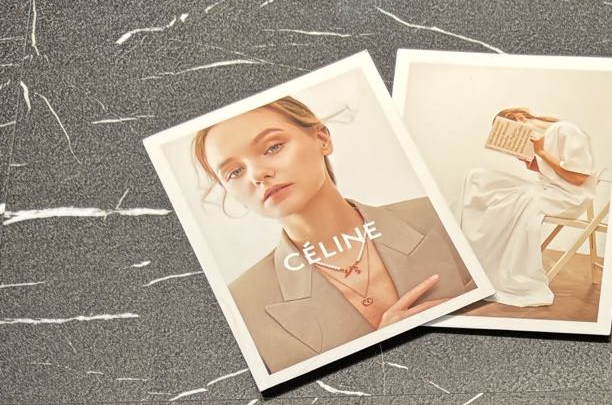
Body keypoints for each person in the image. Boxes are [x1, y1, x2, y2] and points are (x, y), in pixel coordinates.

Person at [191, 94, 476, 374]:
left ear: (322, 138)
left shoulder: (442, 215)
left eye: (273, 147)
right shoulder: (239, 308)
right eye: (234, 172)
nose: (257, 174)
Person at [458, 104, 598, 308]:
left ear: (519, 118)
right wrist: (530, 163)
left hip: (569, 198)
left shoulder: (565, 130)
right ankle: (473, 251)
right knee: (478, 178)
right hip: (550, 190)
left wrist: (541, 151)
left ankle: (491, 259)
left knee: (509, 201)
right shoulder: (545, 137)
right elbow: (553, 174)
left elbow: (578, 178)